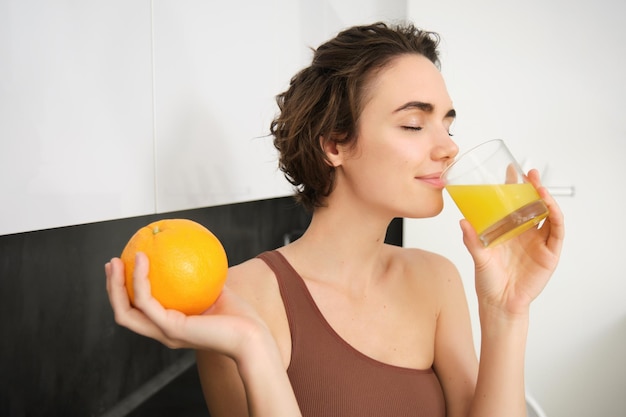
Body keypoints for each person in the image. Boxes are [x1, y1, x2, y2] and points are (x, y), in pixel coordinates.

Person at [105, 21, 564, 417]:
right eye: (413, 124)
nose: (448, 147)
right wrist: (253, 349)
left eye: (448, 124)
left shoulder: (436, 279)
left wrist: (507, 312)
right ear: (334, 145)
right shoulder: (239, 300)